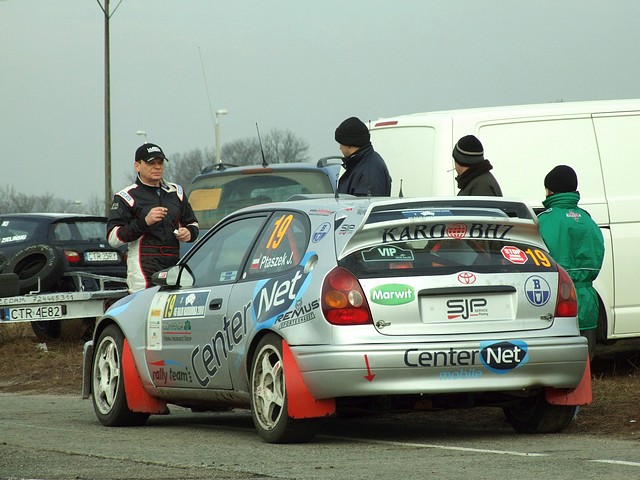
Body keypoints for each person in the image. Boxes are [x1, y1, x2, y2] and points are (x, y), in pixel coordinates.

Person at [107, 143, 199, 293]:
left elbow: (193, 224)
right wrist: (144, 222)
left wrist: (189, 233)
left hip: (173, 266)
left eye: (160, 162)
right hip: (143, 270)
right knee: (146, 307)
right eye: (151, 163)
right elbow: (113, 238)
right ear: (137, 166)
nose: (157, 167)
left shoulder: (176, 192)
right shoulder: (126, 196)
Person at [538, 165, 604, 359]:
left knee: (561, 361)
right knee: (585, 359)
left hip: (559, 298)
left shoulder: (543, 221)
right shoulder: (587, 219)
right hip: (588, 297)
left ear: (551, 191)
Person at [335, 116, 392, 197]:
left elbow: (365, 203)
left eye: (341, 143)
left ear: (349, 144)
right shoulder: (360, 164)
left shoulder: (370, 170)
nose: (340, 148)